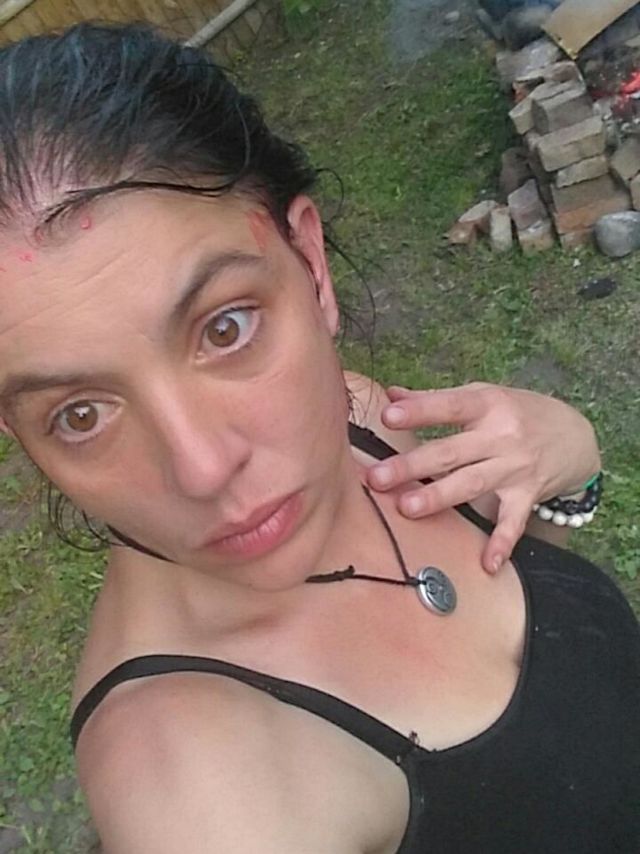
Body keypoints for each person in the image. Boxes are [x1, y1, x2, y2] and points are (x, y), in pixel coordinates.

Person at [0, 23, 636, 854]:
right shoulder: (197, 791)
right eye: (81, 414)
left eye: (225, 328)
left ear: (309, 262)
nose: (203, 468)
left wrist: (568, 472)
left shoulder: (361, 417)